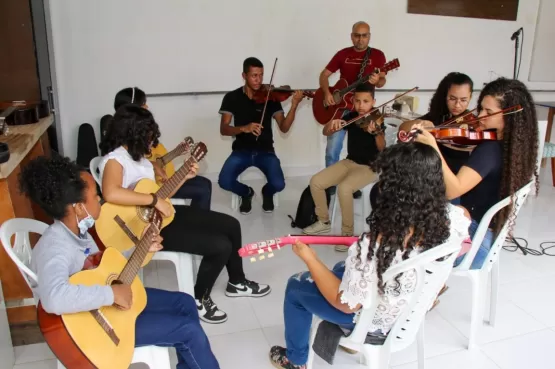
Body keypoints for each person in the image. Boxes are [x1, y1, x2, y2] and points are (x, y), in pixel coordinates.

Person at [268, 142, 471, 369]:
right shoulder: (459, 216)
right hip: (413, 306)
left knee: (296, 286)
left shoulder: (376, 245)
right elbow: (459, 247)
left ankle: (295, 360)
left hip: (373, 320)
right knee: (341, 267)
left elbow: (345, 304)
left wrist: (310, 258)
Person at [21, 155, 220, 369]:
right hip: (97, 328)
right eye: (95, 195)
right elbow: (54, 298)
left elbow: (105, 269)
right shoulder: (54, 247)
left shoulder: (79, 231)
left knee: (185, 303)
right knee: (188, 330)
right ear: (78, 208)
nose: (99, 198)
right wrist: (112, 294)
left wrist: (142, 248)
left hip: (105, 306)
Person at [99, 104, 271, 324]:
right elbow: (111, 192)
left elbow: (160, 193)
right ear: (133, 133)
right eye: (148, 135)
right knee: (220, 246)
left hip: (160, 216)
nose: (152, 140)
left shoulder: (139, 158)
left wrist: (183, 177)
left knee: (231, 225)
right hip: (144, 230)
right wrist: (153, 200)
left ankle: (237, 281)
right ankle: (199, 298)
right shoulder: (116, 160)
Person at [414, 77, 539, 270]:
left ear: (510, 115)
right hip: (487, 238)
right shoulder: (517, 147)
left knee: (401, 230)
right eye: (480, 108)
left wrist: (433, 146)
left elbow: (453, 191)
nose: (480, 115)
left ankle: (417, 287)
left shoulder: (490, 150)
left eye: (488, 111)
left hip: (472, 244)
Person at [302, 83, 384, 251]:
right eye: (357, 101)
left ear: (373, 101)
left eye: (366, 101)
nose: (361, 106)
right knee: (316, 181)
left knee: (344, 188)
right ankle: (323, 221)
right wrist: (332, 124)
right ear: (353, 101)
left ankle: (347, 234)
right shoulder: (350, 116)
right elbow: (326, 133)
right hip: (349, 162)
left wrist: (376, 133)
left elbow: (383, 148)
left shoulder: (377, 119)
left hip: (370, 167)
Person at [218, 57, 304, 214]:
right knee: (224, 181)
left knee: (279, 184)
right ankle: (247, 193)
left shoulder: (270, 98)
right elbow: (224, 129)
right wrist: (244, 128)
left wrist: (294, 106)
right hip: (241, 151)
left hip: (265, 151)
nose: (259, 80)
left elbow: (284, 128)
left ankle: (267, 192)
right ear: (244, 76)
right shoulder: (232, 97)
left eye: (261, 75)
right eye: (254, 75)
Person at [108, 87, 213, 210]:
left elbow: (154, 168)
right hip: (149, 200)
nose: (146, 107)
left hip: (156, 195)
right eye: (143, 104)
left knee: (205, 184)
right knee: (202, 190)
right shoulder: (116, 157)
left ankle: (198, 220)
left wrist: (181, 170)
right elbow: (112, 192)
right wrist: (154, 199)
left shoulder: (133, 147)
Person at [319, 21, 387, 198]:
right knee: (332, 148)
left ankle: (354, 184)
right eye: (357, 35)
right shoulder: (343, 54)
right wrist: (327, 93)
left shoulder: (378, 55)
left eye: (364, 35)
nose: (360, 39)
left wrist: (376, 81)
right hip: (342, 108)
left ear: (369, 36)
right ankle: (331, 185)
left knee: (361, 151)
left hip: (364, 109)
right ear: (351, 36)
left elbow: (382, 81)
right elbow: (324, 75)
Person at [398, 72, 475, 176]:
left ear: (470, 97)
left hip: (457, 177)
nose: (457, 105)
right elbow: (403, 128)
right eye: (452, 99)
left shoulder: (474, 122)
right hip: (431, 173)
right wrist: (420, 123)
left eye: (463, 100)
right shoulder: (437, 116)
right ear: (445, 96)